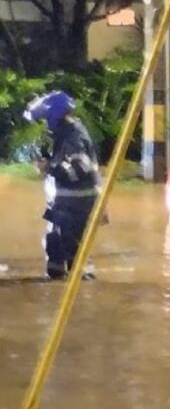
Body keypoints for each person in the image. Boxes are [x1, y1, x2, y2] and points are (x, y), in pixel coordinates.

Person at [23, 91, 101, 281]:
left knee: (74, 249)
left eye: (44, 120)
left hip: (77, 203)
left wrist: (49, 167)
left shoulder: (73, 136)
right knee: (54, 244)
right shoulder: (64, 134)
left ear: (53, 117)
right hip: (64, 202)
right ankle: (56, 280)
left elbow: (78, 170)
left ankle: (82, 289)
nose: (43, 125)